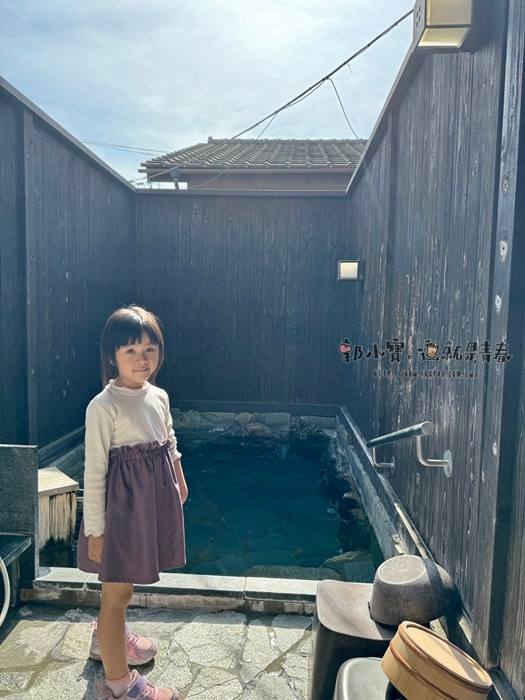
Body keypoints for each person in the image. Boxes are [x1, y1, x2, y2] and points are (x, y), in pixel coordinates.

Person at [76, 304, 188, 700]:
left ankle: (107, 639)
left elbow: (169, 441)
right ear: (112, 356)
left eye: (149, 349)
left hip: (146, 508)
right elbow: (94, 472)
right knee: (117, 595)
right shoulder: (103, 406)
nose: (142, 359)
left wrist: (179, 479)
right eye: (131, 351)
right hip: (120, 515)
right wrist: (96, 531)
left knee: (121, 590)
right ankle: (121, 685)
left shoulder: (158, 396)